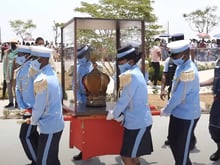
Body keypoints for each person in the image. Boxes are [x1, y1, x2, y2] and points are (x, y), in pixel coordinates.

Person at [106, 45, 153, 165]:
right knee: (132, 156)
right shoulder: (133, 73)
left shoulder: (132, 75)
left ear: (130, 61)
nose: (119, 64)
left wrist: (114, 113)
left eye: (121, 61)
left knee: (127, 156)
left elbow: (125, 98)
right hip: (134, 122)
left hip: (138, 123)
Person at [160, 40, 201, 165]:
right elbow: (176, 88)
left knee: (181, 151)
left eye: (174, 55)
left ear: (184, 55)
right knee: (173, 141)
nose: (171, 58)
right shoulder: (181, 66)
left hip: (187, 116)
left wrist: (166, 110)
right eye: (171, 55)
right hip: (177, 113)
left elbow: (179, 96)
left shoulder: (189, 71)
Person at [26, 46, 64, 165]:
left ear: (41, 60)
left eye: (33, 59)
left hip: (49, 127)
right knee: (52, 159)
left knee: (44, 162)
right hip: (55, 123)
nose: (31, 61)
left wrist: (32, 120)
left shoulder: (42, 80)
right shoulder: (52, 73)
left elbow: (39, 107)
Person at [15, 45, 39, 165]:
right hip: (26, 109)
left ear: (26, 55)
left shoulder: (32, 68)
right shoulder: (22, 68)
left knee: (25, 136)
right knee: (32, 134)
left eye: (19, 55)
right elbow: (18, 89)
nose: (17, 57)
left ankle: (36, 161)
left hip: (32, 109)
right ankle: (40, 158)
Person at [72, 44, 93, 161]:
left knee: (90, 128)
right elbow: (74, 84)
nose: (80, 58)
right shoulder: (77, 67)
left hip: (91, 100)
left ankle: (89, 150)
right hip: (81, 101)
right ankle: (83, 150)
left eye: (82, 55)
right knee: (82, 128)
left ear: (88, 55)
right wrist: (78, 99)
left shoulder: (92, 67)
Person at [200, 58, 220, 161]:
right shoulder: (218, 61)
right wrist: (200, 83)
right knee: (214, 127)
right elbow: (216, 78)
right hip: (217, 100)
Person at [3, 41, 18, 108]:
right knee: (9, 89)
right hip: (8, 73)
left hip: (15, 73)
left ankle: (17, 102)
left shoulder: (19, 52)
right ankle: (11, 102)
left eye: (14, 43)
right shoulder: (7, 52)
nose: (13, 45)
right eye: (11, 43)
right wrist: (4, 73)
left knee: (16, 89)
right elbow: (4, 64)